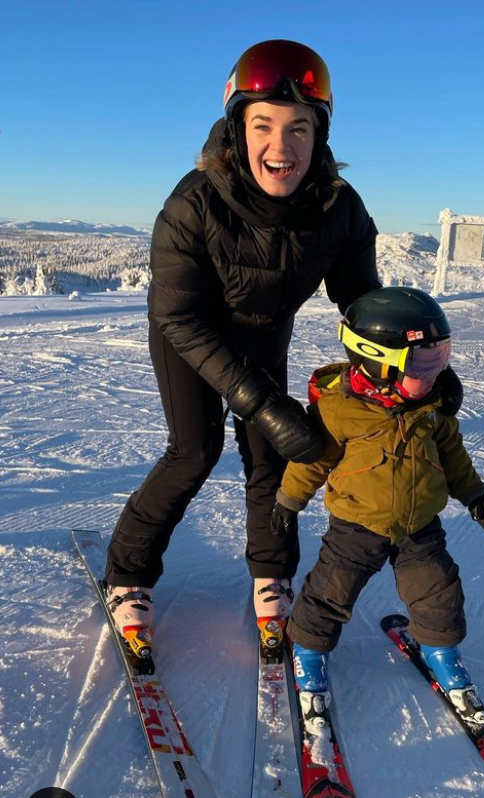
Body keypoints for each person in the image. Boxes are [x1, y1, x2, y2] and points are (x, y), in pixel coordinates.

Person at [104, 40, 463, 652]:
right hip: (191, 337)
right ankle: (128, 575)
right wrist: (263, 403)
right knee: (194, 450)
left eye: (299, 127)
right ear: (235, 128)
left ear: (319, 135)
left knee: (272, 459)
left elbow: (362, 310)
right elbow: (180, 317)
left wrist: (413, 366)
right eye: (263, 124)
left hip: (266, 330)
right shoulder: (191, 205)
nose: (281, 146)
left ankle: (272, 575)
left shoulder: (337, 208)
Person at [270, 287, 484, 730]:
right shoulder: (338, 411)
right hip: (357, 525)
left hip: (420, 526)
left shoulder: (431, 406)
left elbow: (452, 454)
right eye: (422, 363)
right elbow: (311, 461)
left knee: (438, 591)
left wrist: (474, 493)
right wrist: (288, 501)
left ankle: (442, 654)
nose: (435, 373)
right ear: (377, 362)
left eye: (440, 358)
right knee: (331, 591)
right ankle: (309, 651)